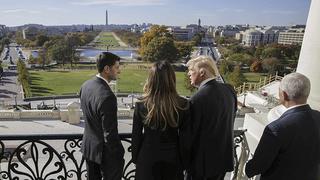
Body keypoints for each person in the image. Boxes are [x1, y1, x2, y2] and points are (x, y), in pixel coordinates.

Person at [245, 72, 320, 180]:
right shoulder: (318, 117)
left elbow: (258, 166)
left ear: (284, 95)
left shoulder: (276, 128)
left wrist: (247, 168)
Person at [132, 60, 190, 180]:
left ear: (151, 79)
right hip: (173, 159)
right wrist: (184, 163)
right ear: (171, 78)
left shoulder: (141, 104)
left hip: (147, 158)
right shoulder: (183, 104)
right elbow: (186, 140)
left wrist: (136, 159)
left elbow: (136, 136)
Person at [186, 56, 237, 180]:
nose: (188, 74)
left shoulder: (197, 99)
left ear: (202, 72)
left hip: (201, 165)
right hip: (223, 161)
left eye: (191, 70)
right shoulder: (229, 90)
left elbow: (190, 134)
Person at [80, 52, 124, 180]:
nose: (118, 71)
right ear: (106, 69)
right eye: (116, 67)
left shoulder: (85, 85)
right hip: (104, 156)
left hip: (89, 148)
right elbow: (109, 133)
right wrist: (119, 153)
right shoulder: (108, 97)